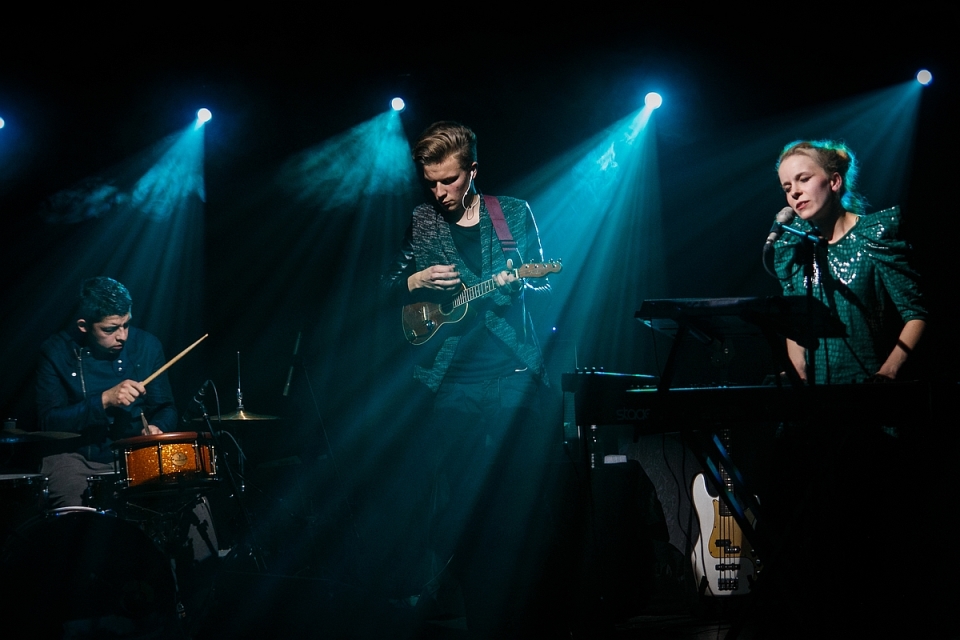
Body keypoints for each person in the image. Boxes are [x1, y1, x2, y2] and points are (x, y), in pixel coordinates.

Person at [380, 121, 551, 633]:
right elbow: (383, 287)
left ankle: (522, 602)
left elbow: (544, 282)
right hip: (449, 379)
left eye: (448, 180)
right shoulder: (423, 221)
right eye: (430, 182)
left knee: (515, 491)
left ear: (472, 170)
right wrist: (416, 279)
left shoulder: (511, 213)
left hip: (513, 370)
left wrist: (520, 282)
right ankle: (459, 594)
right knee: (457, 497)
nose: (439, 192)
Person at [773, 140, 927, 384]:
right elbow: (795, 322)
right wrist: (797, 371)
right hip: (813, 396)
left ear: (834, 181)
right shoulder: (794, 246)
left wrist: (888, 372)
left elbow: (916, 314)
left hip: (869, 388)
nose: (794, 192)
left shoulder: (873, 235)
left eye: (804, 179)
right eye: (787, 186)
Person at [36, 276, 177, 507]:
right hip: (75, 458)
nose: (122, 336)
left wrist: (157, 427)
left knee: (188, 497)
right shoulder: (56, 352)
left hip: (136, 455)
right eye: (110, 329)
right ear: (83, 326)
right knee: (72, 506)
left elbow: (166, 407)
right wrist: (104, 400)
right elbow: (48, 422)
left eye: (126, 324)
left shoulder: (147, 345)